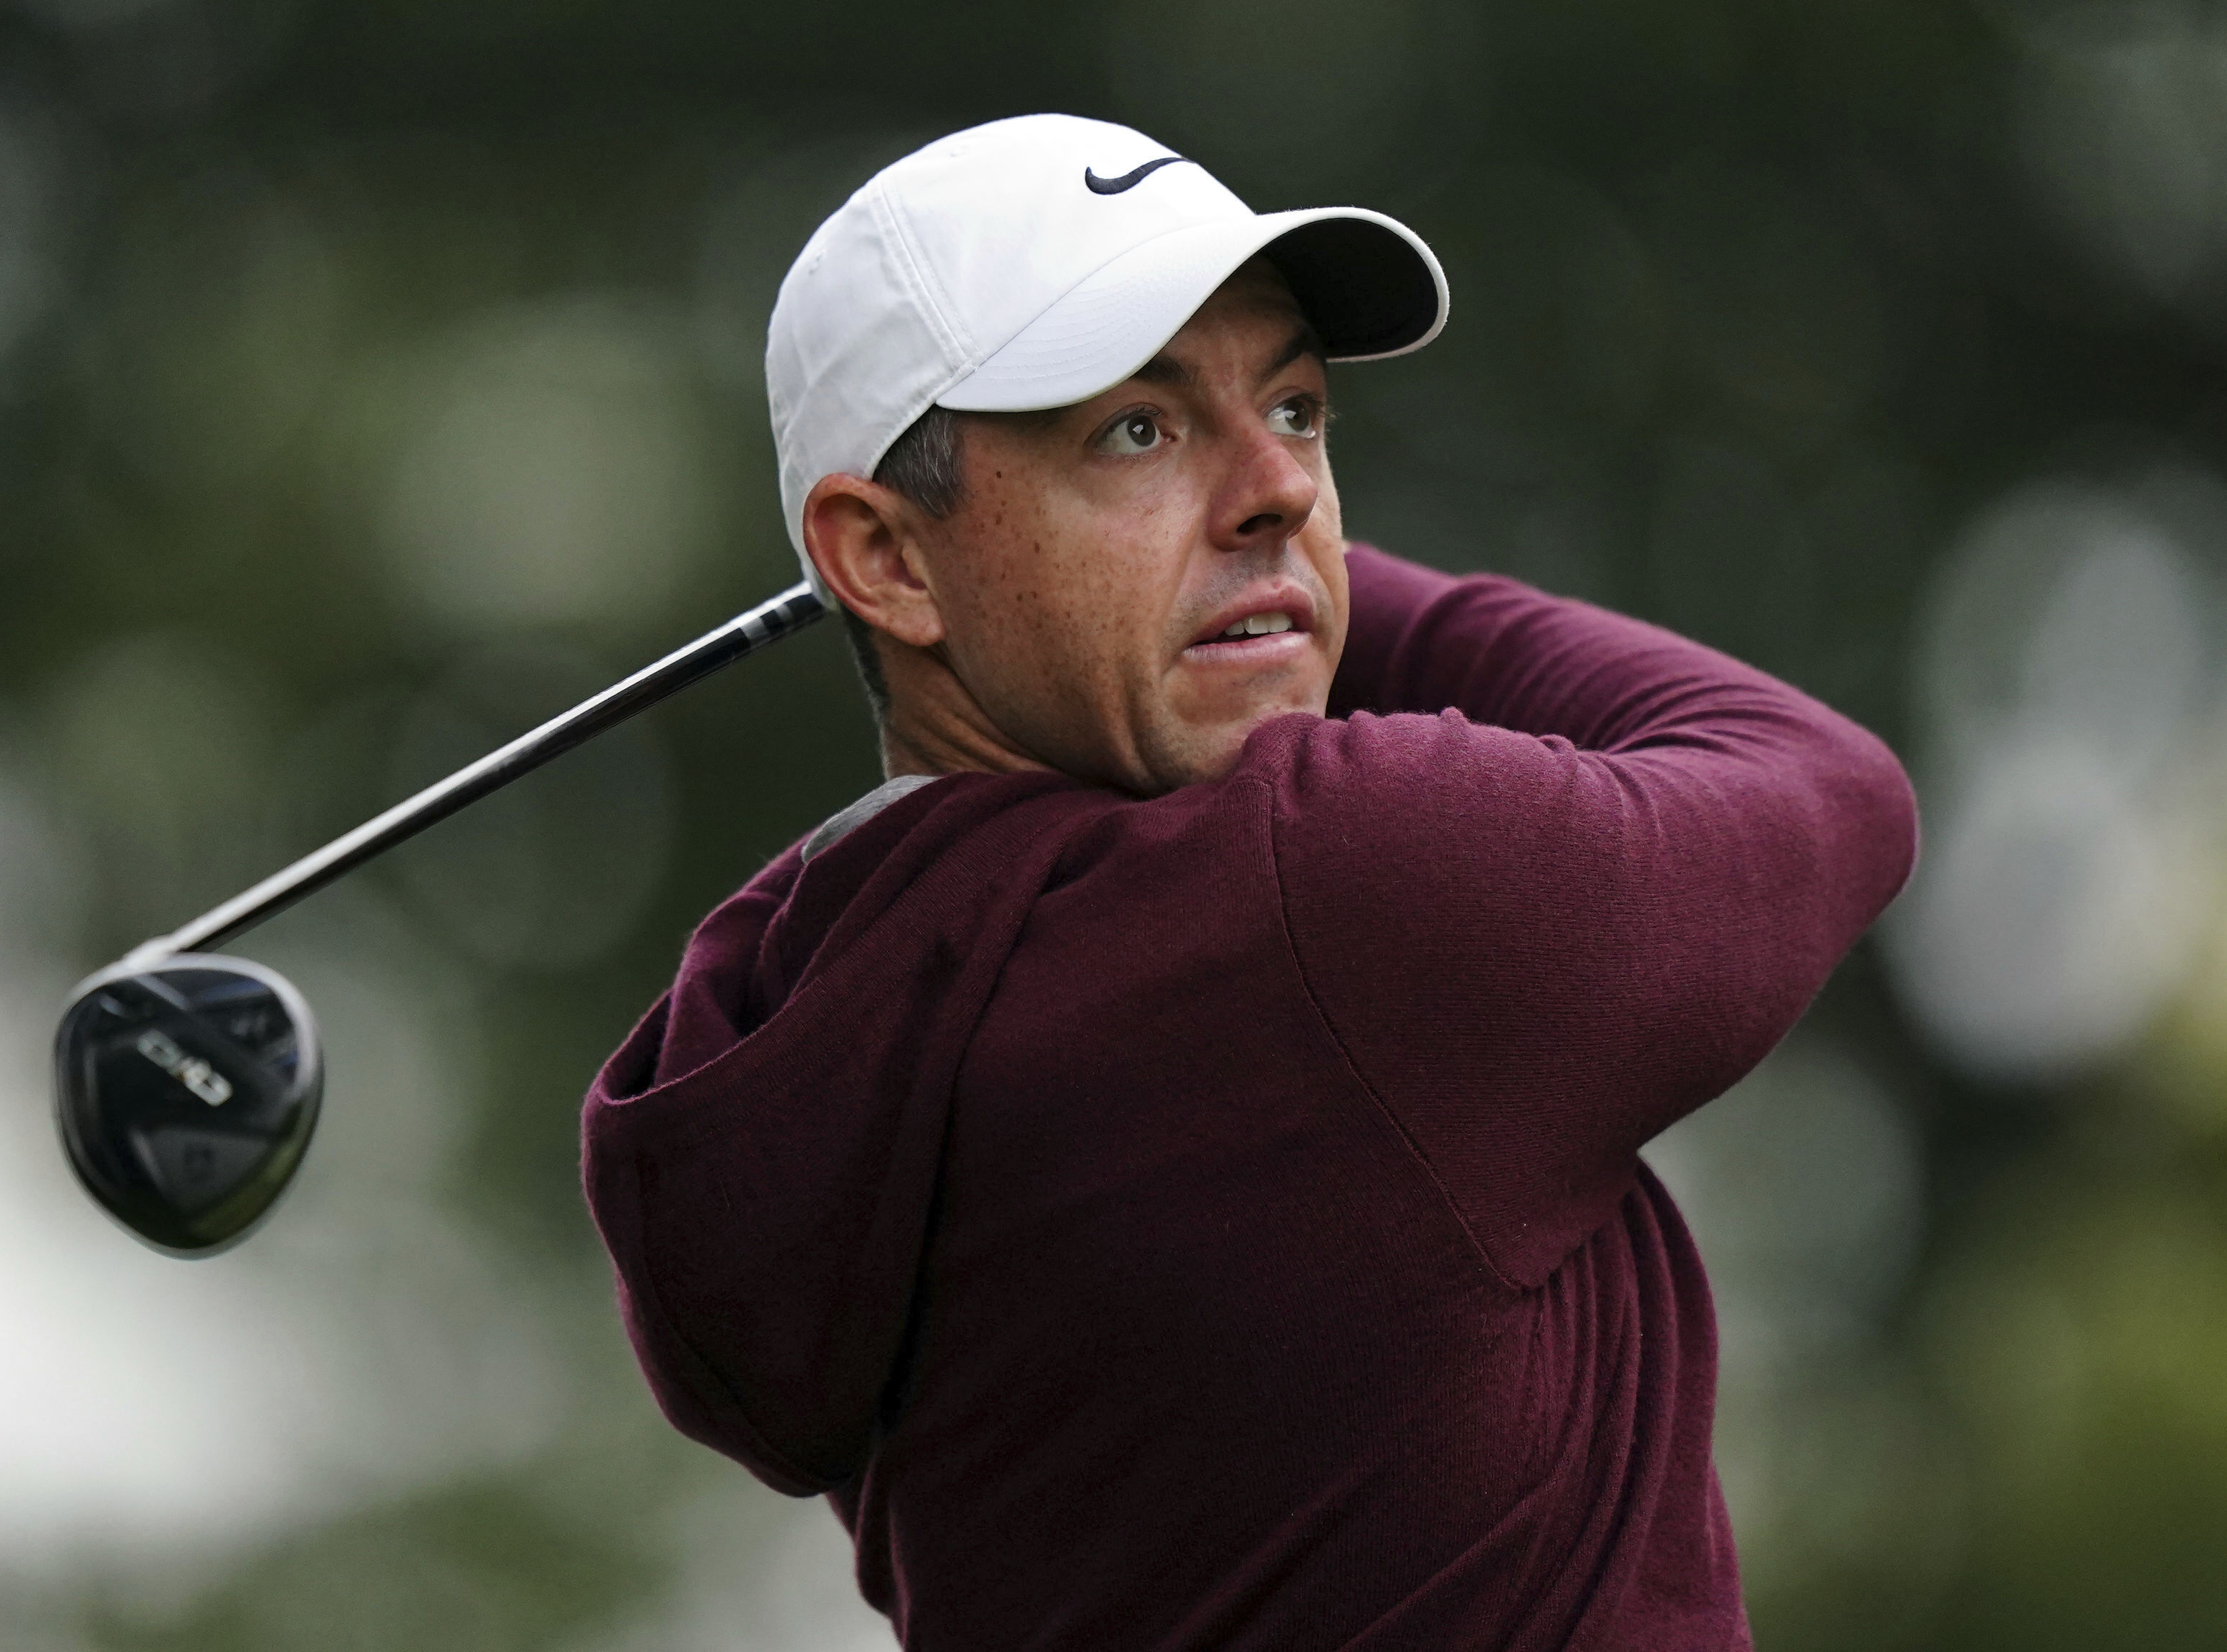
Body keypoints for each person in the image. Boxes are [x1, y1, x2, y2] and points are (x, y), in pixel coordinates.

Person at [582, 113, 1916, 1650]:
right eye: (1134, 430)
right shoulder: (1333, 898)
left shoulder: (814, 1012)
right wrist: (1287, 595)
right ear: (880, 559)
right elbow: (1820, 783)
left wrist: (1230, 578)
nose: (1278, 483)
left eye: (1296, 407)